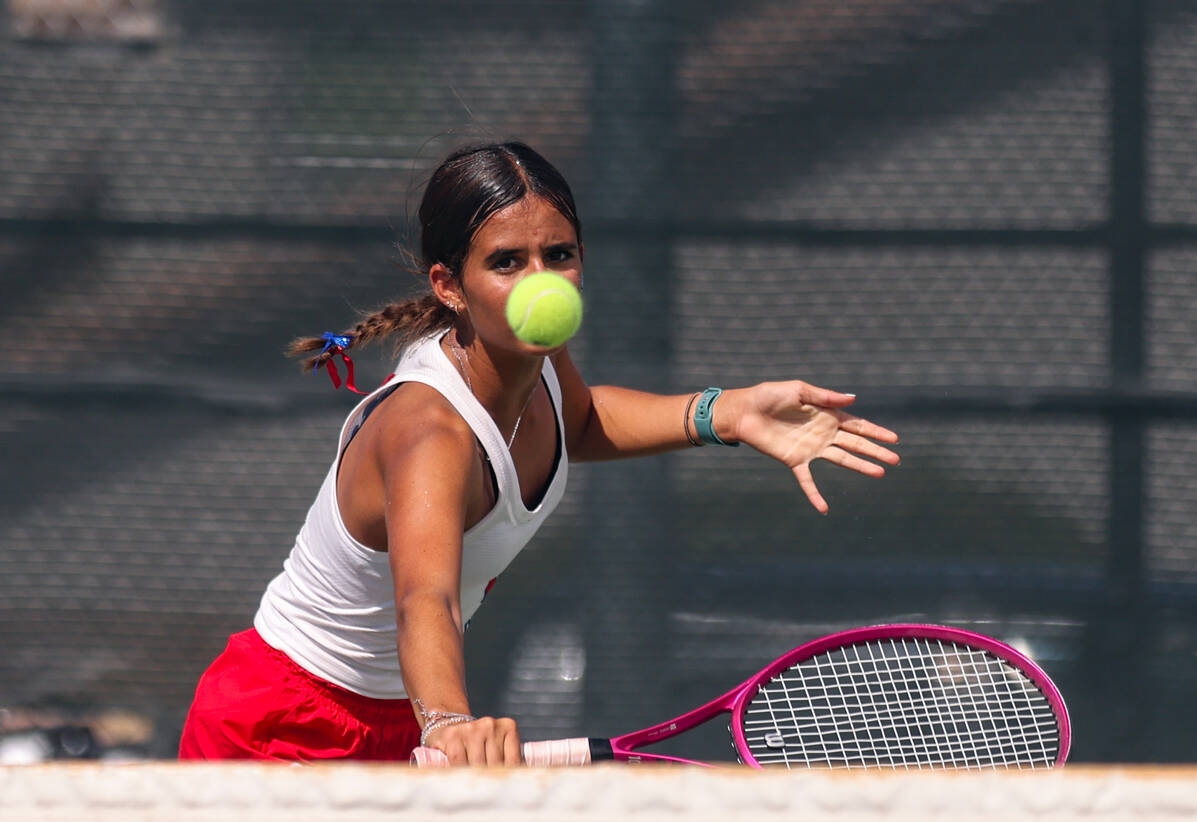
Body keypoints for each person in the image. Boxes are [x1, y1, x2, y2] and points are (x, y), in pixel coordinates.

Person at [178, 141, 900, 766]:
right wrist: (452, 723)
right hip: (284, 721)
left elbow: (579, 425)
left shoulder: (540, 362)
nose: (540, 282)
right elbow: (423, 598)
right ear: (449, 286)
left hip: (401, 717)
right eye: (506, 262)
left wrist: (725, 412)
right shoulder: (431, 433)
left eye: (558, 255)